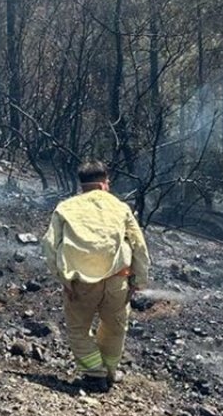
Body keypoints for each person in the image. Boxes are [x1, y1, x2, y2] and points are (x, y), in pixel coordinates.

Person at [40, 160, 150, 393]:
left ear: (83, 185)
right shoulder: (120, 207)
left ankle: (94, 374)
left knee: (78, 329)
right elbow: (139, 245)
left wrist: (63, 278)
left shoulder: (65, 208)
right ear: (104, 184)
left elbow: (49, 246)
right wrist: (138, 281)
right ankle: (108, 374)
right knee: (114, 328)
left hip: (80, 283)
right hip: (118, 280)